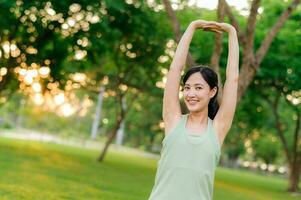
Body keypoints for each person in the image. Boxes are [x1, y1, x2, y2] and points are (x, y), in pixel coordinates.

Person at [148, 20, 239, 200]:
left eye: (198, 88)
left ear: (212, 92)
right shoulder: (173, 119)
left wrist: (231, 32)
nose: (191, 93)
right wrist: (192, 26)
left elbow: (233, 79)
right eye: (187, 87)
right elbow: (175, 69)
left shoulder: (218, 129)